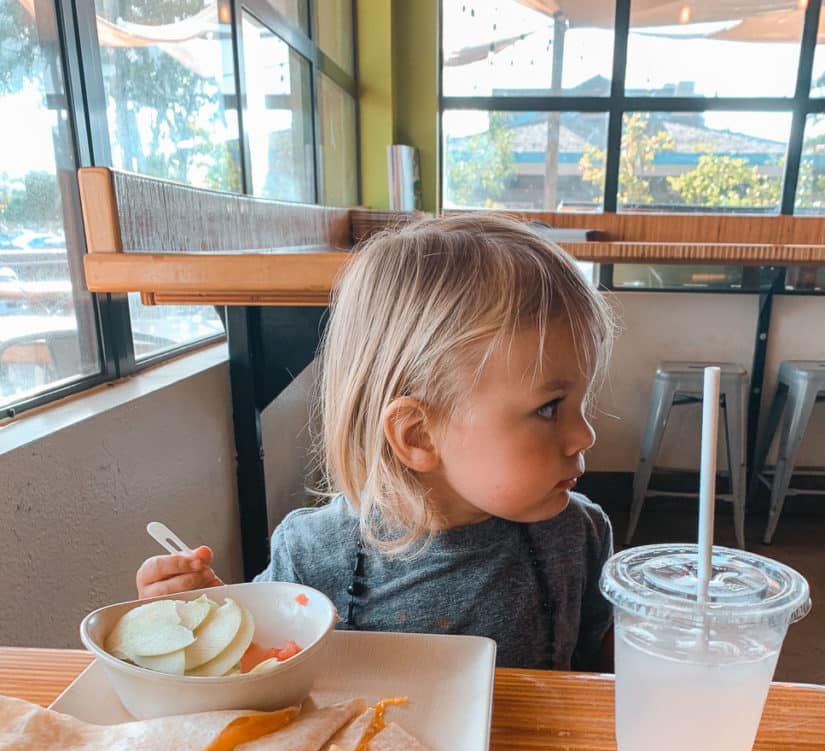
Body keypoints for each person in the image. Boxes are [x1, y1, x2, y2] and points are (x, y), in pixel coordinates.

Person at [136, 213, 616, 671]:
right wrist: (205, 623)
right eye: (549, 408)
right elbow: (263, 662)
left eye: (581, 401)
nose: (584, 434)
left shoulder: (578, 536)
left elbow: (600, 668)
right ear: (417, 435)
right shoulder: (311, 555)